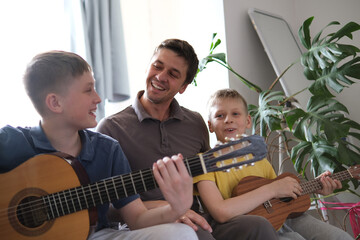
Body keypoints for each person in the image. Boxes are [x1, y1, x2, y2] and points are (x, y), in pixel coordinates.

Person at [0, 50, 199, 240]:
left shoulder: (108, 149)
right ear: (55, 103)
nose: (97, 98)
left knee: (182, 234)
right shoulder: (11, 142)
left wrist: (176, 208)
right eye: (88, 90)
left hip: (96, 235)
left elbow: (137, 219)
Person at [193, 88, 354, 240]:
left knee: (340, 237)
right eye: (220, 116)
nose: (228, 120)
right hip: (250, 227)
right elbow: (221, 213)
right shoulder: (203, 163)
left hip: (285, 219)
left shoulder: (259, 160)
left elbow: (279, 200)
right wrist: (272, 189)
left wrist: (316, 187)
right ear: (210, 125)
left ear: (248, 121)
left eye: (235, 114)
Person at [97, 39, 214, 239]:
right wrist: (166, 207)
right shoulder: (110, 128)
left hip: (197, 217)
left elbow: (208, 180)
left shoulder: (195, 123)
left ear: (183, 87)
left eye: (173, 74)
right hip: (146, 225)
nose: (160, 77)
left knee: (255, 225)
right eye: (157, 66)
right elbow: (102, 207)